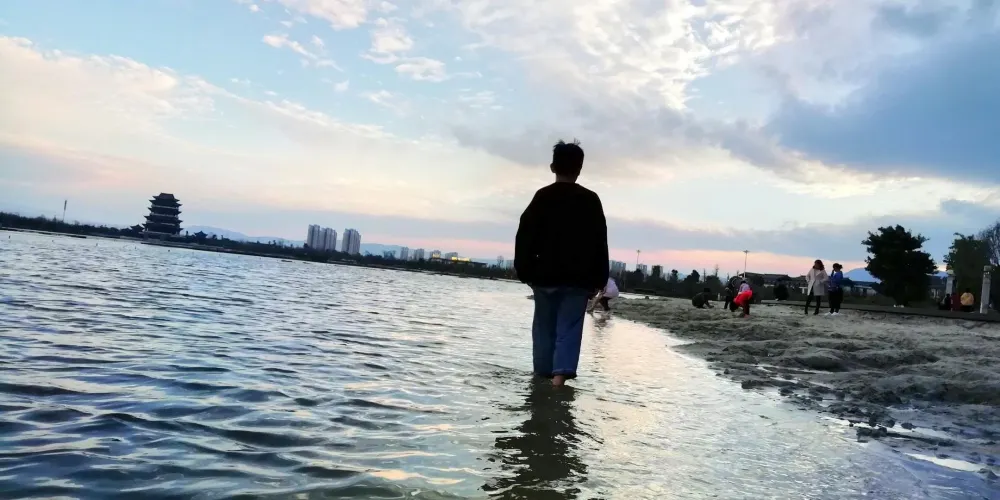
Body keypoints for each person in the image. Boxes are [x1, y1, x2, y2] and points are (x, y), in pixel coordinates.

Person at [515, 140, 609, 387]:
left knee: (543, 328)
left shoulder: (542, 197)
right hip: (578, 279)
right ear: (579, 169)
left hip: (544, 275)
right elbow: (600, 241)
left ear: (552, 167)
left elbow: (524, 236)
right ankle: (558, 381)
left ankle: (541, 379)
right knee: (569, 328)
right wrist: (600, 278)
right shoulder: (590, 200)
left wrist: (524, 270)